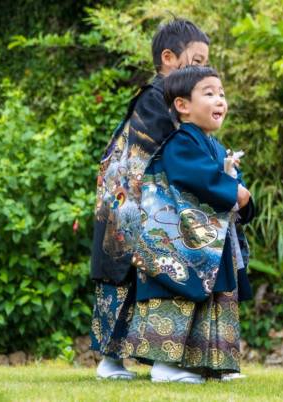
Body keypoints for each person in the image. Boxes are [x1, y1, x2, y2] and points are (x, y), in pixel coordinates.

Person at [89, 18, 212, 380]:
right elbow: (158, 150)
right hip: (127, 205)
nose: (202, 69)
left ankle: (160, 359)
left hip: (147, 203)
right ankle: (110, 361)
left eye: (206, 62)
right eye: (196, 62)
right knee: (120, 279)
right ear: (169, 59)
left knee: (145, 280)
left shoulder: (174, 99)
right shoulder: (154, 98)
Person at [122, 65, 254, 384]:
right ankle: (166, 367)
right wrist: (233, 191)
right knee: (177, 295)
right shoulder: (179, 142)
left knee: (213, 299)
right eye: (209, 93)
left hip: (209, 239)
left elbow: (227, 184)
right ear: (182, 105)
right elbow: (195, 177)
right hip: (177, 241)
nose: (220, 100)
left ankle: (210, 364)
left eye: (221, 93)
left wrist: (241, 195)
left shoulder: (214, 146)